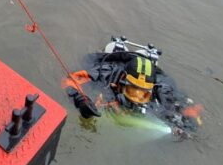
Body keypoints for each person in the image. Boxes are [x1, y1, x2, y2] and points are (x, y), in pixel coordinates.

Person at [65, 40, 202, 132]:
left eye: (143, 94)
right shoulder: (108, 72)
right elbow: (70, 81)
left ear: (151, 90)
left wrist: (186, 117)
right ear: (123, 80)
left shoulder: (160, 89)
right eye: (132, 89)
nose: (136, 97)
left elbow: (177, 108)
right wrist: (81, 101)